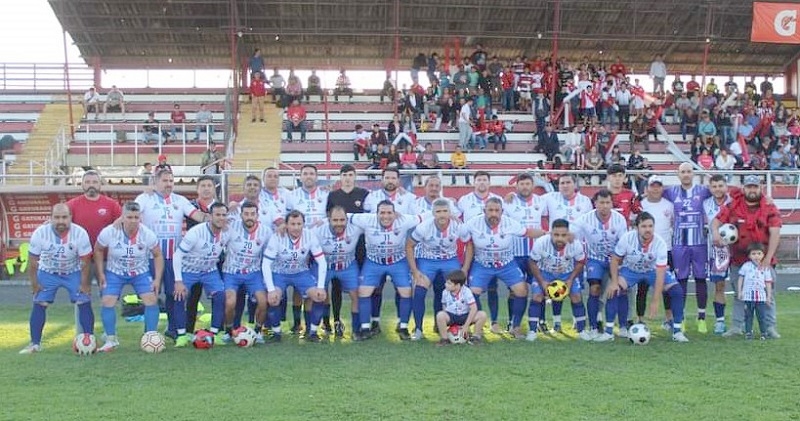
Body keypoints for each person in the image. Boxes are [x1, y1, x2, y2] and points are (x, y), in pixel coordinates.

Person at [594, 212, 690, 342]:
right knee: (614, 290)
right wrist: (614, 282)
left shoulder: (660, 243)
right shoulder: (627, 238)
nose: (648, 229)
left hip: (652, 271)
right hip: (631, 271)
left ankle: (677, 332)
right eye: (644, 226)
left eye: (650, 226)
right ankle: (609, 332)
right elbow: (615, 260)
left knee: (677, 290)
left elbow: (661, 272)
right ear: (636, 227)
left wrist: (655, 300)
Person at [136, 168, 208, 340]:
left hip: (172, 258)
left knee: (174, 294)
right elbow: (131, 215)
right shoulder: (145, 198)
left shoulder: (179, 200)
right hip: (150, 257)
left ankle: (174, 330)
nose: (168, 184)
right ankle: (150, 332)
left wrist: (218, 217)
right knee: (150, 295)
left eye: (171, 181)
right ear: (156, 181)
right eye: (165, 181)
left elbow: (197, 215)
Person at [459, 198, 543, 339]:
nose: (494, 213)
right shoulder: (472, 224)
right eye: (490, 210)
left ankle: (515, 327)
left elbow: (527, 232)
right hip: (482, 264)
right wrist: (465, 268)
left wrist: (547, 233)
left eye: (497, 210)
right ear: (484, 211)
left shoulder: (510, 223)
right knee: (472, 293)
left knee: (522, 290)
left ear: (502, 211)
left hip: (506, 264)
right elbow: (468, 245)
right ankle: (478, 327)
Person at [712, 174, 781, 339]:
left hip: (763, 261)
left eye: (755, 187)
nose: (752, 190)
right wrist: (716, 234)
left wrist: (767, 258)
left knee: (767, 294)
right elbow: (716, 221)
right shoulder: (733, 205)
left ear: (760, 188)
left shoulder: (770, 207)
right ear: (743, 188)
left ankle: (770, 327)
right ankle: (737, 326)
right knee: (739, 294)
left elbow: (775, 233)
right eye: (749, 186)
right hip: (739, 260)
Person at [20, 204, 94, 354]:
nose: (61, 221)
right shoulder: (40, 233)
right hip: (48, 271)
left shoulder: (80, 233)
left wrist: (84, 283)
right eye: (57, 217)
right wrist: (34, 284)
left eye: (64, 217)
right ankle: (35, 344)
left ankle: (88, 341)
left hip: (73, 271)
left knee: (84, 300)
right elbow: (33, 261)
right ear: (51, 218)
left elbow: (86, 261)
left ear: (70, 218)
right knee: (40, 302)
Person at [94, 202, 164, 352]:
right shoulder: (110, 232)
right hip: (115, 272)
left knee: (151, 299)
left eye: (136, 217)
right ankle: (111, 339)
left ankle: (150, 336)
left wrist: (157, 279)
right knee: (107, 301)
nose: (133, 220)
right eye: (129, 217)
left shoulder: (148, 234)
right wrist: (100, 273)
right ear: (122, 217)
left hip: (140, 272)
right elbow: (98, 250)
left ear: (140, 218)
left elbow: (158, 255)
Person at [350, 201, 422, 340]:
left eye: (389, 212)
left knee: (406, 291)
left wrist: (453, 214)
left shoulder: (404, 220)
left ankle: (403, 327)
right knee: (364, 291)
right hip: (373, 262)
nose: (386, 216)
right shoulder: (366, 219)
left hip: (398, 262)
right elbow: (345, 216)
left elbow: (424, 216)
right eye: (382, 213)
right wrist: (320, 221)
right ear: (376, 213)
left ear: (395, 214)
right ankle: (365, 328)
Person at [66, 170, 122, 333]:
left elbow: (121, 225)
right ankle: (82, 334)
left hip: (106, 260)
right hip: (81, 261)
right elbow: (61, 224)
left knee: (108, 298)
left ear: (100, 184)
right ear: (82, 184)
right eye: (88, 182)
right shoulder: (72, 205)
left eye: (94, 182)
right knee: (82, 297)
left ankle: (109, 334)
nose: (91, 185)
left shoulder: (111, 205)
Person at [263, 211, 328, 342]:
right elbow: (266, 264)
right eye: (292, 224)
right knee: (273, 298)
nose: (296, 227)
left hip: (301, 273)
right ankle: (276, 333)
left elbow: (322, 261)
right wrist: (270, 290)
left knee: (319, 296)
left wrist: (320, 287)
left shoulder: (309, 235)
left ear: (304, 224)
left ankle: (313, 332)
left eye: (299, 224)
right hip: (279, 273)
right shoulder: (277, 236)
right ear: (286, 225)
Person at [406, 199, 466, 340]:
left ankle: (453, 327)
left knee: (456, 290)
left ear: (450, 212)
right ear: (433, 213)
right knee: (419, 290)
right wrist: (415, 271)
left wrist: (465, 268)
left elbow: (469, 244)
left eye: (445, 211)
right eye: (438, 212)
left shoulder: (458, 225)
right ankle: (419, 329)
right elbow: (409, 246)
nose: (442, 215)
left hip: (449, 260)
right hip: (428, 261)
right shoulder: (424, 227)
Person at [171, 203, 231, 347]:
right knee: (179, 296)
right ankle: (181, 335)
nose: (221, 218)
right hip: (188, 270)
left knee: (220, 295)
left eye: (224, 215)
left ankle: (215, 333)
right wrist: (178, 281)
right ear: (210, 216)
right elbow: (177, 255)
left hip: (209, 270)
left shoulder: (228, 232)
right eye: (217, 215)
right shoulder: (196, 232)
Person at [572, 189, 629, 335]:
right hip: (595, 259)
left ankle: (622, 326)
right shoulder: (585, 219)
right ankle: (593, 327)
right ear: (595, 204)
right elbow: (571, 233)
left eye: (607, 202)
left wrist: (618, 264)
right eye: (601, 202)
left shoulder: (619, 219)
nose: (604, 206)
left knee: (621, 289)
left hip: (615, 259)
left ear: (612, 203)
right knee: (594, 289)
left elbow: (624, 244)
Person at [527, 219, 591, 341]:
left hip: (567, 274)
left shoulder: (575, 244)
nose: (560, 238)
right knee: (537, 296)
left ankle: (582, 330)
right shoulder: (541, 243)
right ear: (551, 233)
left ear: (568, 234)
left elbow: (581, 261)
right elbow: (532, 262)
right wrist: (542, 282)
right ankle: (532, 331)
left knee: (576, 296)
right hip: (545, 273)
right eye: (556, 235)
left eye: (563, 235)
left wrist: (571, 279)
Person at [325, 165, 369, 337]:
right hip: (338, 247)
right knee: (335, 285)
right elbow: (327, 219)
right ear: (340, 177)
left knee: (358, 287)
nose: (348, 178)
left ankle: (363, 323)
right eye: (345, 175)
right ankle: (335, 321)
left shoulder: (364, 194)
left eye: (351, 175)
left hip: (358, 245)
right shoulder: (333, 195)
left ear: (355, 176)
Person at [221, 202, 272, 344]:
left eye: (252, 214)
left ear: (257, 215)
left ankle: (257, 331)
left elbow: (270, 253)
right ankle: (229, 331)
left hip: (253, 273)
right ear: (241, 214)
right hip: (231, 272)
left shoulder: (266, 231)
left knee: (263, 302)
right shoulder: (231, 226)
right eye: (246, 214)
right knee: (230, 302)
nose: (249, 217)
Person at [501, 173, 545, 332]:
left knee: (540, 288)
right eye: (522, 184)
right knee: (515, 290)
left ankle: (541, 321)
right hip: (515, 253)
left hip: (536, 254)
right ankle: (512, 321)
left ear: (533, 186)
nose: (525, 187)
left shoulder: (542, 201)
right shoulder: (507, 202)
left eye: (528, 184)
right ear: (516, 186)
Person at [313, 206, 364, 339]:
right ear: (329, 220)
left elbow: (374, 222)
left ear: (347, 219)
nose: (339, 223)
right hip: (326, 266)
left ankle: (356, 329)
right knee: (320, 295)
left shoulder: (355, 228)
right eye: (335, 220)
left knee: (356, 295)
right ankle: (325, 324)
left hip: (347, 266)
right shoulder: (318, 230)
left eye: (342, 220)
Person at [637, 176, 675, 326]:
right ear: (647, 188)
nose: (655, 189)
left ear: (662, 188)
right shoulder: (641, 205)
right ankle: (640, 319)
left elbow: (673, 223)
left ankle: (669, 318)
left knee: (667, 286)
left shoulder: (669, 205)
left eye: (658, 186)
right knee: (643, 286)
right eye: (653, 186)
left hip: (666, 249)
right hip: (645, 251)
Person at [701, 174, 733, 334]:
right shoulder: (705, 204)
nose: (718, 189)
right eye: (714, 186)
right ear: (710, 188)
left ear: (726, 186)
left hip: (734, 248)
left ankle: (742, 319)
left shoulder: (734, 202)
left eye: (720, 185)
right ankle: (720, 321)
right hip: (714, 249)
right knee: (719, 284)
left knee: (739, 283)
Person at [435, 270, 486, 346]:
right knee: (440, 315)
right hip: (452, 316)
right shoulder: (445, 292)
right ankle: (444, 339)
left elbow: (474, 308)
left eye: (449, 283)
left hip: (465, 316)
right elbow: (444, 306)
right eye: (446, 282)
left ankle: (475, 338)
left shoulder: (466, 292)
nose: (446, 285)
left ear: (458, 285)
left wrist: (466, 326)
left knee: (482, 315)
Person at [736, 243, 773, 340]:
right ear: (749, 255)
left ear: (763, 254)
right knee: (748, 316)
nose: (756, 256)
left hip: (760, 297)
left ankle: (763, 333)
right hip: (748, 296)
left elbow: (768, 282)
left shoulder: (765, 267)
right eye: (753, 254)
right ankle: (748, 332)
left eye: (759, 253)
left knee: (761, 316)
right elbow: (741, 278)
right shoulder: (746, 266)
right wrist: (739, 291)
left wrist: (768, 296)